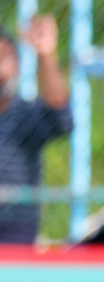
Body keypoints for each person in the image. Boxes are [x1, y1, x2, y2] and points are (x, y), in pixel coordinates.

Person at [0, 16, 69, 245]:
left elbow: (60, 117)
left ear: (17, 65)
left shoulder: (26, 114)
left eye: (4, 58)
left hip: (16, 239)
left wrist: (47, 56)